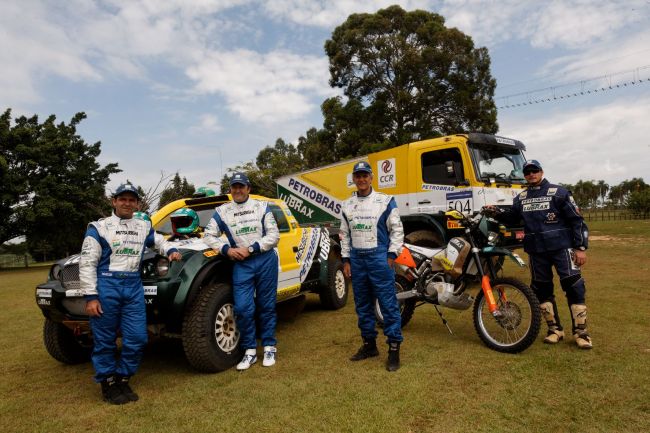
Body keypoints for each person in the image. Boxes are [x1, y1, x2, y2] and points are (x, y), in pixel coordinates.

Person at [80, 183, 182, 405]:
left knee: (137, 337)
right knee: (105, 340)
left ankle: (123, 378)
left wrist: (171, 250)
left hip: (133, 287)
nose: (127, 203)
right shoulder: (98, 227)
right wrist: (91, 297)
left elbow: (159, 242)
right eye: (122, 199)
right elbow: (87, 263)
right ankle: (107, 383)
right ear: (114, 201)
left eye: (131, 200)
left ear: (137, 203)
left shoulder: (143, 226)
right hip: (107, 286)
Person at [488, 160, 592, 349]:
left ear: (541, 172)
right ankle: (555, 330)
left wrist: (580, 248)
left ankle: (581, 333)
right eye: (527, 172)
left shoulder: (559, 192)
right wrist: (496, 212)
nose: (531, 174)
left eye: (534, 171)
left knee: (574, 286)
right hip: (536, 252)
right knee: (542, 290)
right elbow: (512, 217)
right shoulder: (521, 197)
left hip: (563, 249)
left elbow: (577, 221)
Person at [202, 172, 280, 370]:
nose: (238, 190)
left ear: (248, 188)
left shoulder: (261, 207)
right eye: (234, 187)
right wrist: (227, 250)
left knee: (266, 305)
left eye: (241, 186)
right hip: (241, 264)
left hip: (264, 259)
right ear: (230, 189)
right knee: (243, 309)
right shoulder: (222, 211)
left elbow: (274, 235)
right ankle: (250, 351)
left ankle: (269, 346)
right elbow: (209, 235)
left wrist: (252, 248)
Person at [340, 161, 405, 371]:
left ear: (371, 177)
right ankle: (369, 345)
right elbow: (344, 235)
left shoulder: (385, 201)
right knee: (362, 305)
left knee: (388, 304)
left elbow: (397, 230)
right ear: (354, 178)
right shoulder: (346, 205)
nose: (361, 179)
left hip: (379, 257)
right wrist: (346, 260)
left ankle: (394, 349)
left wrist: (391, 254)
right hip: (357, 259)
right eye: (358, 176)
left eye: (365, 175)